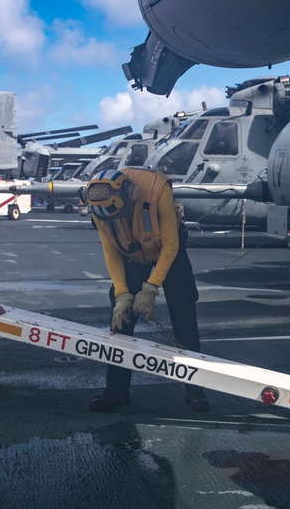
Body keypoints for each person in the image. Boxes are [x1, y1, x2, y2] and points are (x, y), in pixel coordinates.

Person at [83, 167, 210, 413]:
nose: (118, 219)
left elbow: (170, 246)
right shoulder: (99, 206)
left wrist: (151, 288)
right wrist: (122, 294)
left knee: (183, 310)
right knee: (120, 316)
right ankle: (116, 391)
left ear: (131, 196)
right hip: (132, 253)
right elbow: (111, 252)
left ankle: (195, 390)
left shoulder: (157, 189)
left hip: (168, 249)